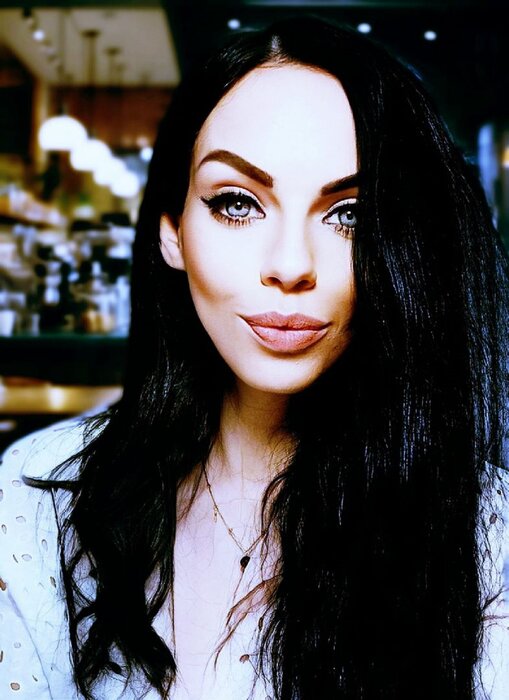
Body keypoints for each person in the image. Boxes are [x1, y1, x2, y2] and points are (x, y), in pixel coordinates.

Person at [1, 15, 508, 700]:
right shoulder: (38, 498)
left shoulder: (486, 539)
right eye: (237, 203)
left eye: (350, 215)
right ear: (172, 232)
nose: (290, 265)